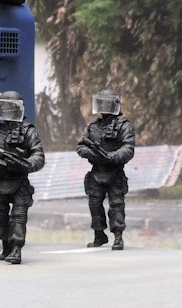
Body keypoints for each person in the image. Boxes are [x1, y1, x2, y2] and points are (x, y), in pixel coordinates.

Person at [0, 90, 45, 265]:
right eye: (4, 107)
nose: (7, 111)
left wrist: (25, 164)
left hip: (19, 181)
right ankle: (6, 245)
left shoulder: (28, 131)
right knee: (0, 217)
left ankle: (16, 248)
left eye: (11, 107)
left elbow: (39, 156)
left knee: (18, 217)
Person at [76, 88, 136, 250]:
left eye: (107, 104)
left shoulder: (124, 126)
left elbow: (128, 148)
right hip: (97, 171)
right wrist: (94, 155)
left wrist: (112, 157)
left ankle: (118, 236)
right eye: (102, 103)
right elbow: (81, 147)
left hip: (115, 172)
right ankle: (99, 234)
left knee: (117, 205)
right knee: (94, 205)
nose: (104, 107)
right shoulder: (93, 126)